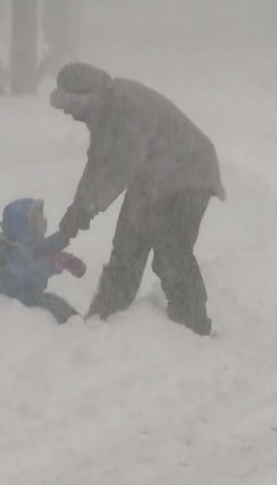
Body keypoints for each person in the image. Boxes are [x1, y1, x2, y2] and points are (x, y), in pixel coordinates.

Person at [49, 62, 226, 336]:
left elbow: (122, 166)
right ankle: (102, 323)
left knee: (171, 252)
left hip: (190, 174)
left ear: (89, 98)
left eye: (76, 109)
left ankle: (194, 327)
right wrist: (77, 206)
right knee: (125, 251)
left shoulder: (130, 106)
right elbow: (98, 162)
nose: (74, 117)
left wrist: (88, 208)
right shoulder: (104, 112)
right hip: (153, 178)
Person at [0, 198, 86, 324]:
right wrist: (52, 264)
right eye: (37, 220)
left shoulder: (25, 244)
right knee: (60, 314)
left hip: (33, 297)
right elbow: (28, 271)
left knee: (64, 309)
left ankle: (81, 325)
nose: (43, 222)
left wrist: (64, 236)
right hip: (22, 302)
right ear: (23, 226)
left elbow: (43, 248)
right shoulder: (12, 252)